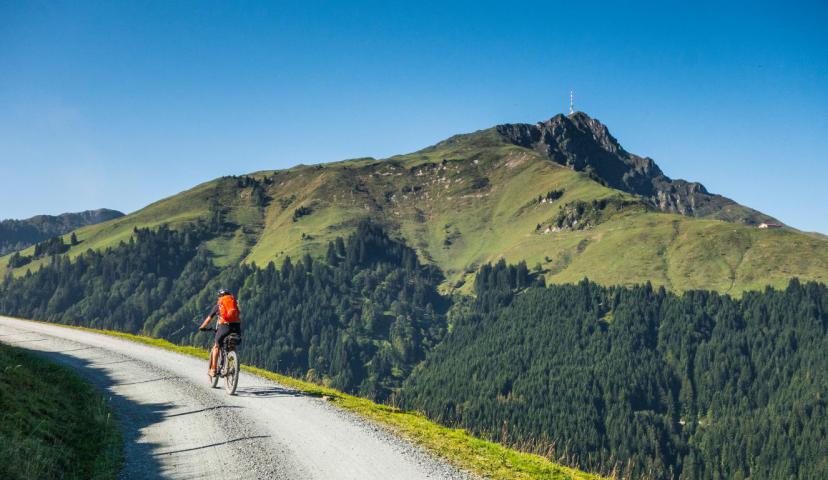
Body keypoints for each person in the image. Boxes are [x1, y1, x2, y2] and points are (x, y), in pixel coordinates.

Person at [199, 289, 241, 377]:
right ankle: (234, 365)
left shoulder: (218, 305)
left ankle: (213, 370)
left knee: (216, 346)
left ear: (220, 297)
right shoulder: (234, 304)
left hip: (224, 327)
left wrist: (202, 327)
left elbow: (208, 319)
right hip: (236, 327)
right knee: (232, 343)